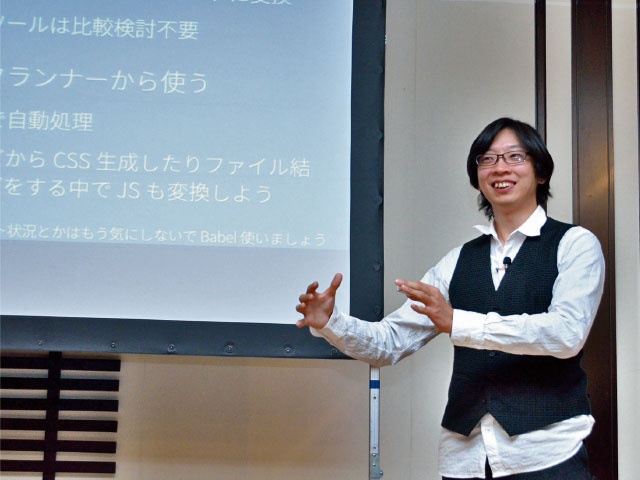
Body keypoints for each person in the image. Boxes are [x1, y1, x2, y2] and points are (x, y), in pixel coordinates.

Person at [295, 118, 605, 479]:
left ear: (540, 172)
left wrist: (459, 322)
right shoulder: (458, 260)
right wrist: (330, 322)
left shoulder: (574, 244)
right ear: (477, 177)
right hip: (464, 457)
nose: (500, 168)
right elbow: (390, 342)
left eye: (515, 156)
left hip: (547, 454)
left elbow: (567, 334)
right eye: (487, 159)